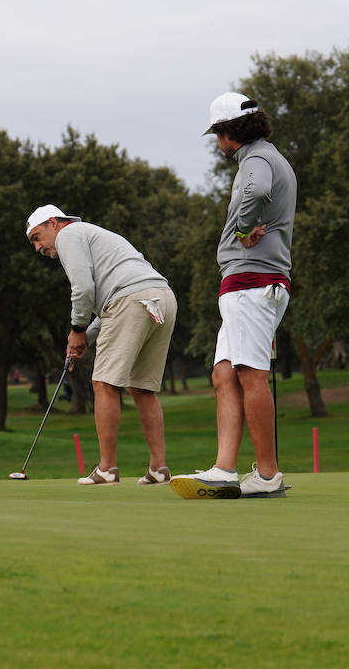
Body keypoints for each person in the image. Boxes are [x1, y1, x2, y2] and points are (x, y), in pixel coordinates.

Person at [173, 93, 297, 498]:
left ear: (230, 133)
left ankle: (266, 475)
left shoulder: (256, 160)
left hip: (253, 282)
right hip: (251, 283)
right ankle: (225, 469)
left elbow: (257, 191)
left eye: (218, 135)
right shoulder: (266, 155)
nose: (217, 143)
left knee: (249, 373)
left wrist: (243, 228)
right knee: (224, 374)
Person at [26, 204, 177, 486]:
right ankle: (158, 469)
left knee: (104, 383)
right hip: (162, 297)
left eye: (36, 238)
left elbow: (83, 288)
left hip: (132, 300)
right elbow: (109, 307)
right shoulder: (91, 234)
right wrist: (85, 338)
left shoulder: (68, 235)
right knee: (142, 387)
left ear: (53, 223)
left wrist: (77, 330)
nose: (38, 248)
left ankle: (107, 469)